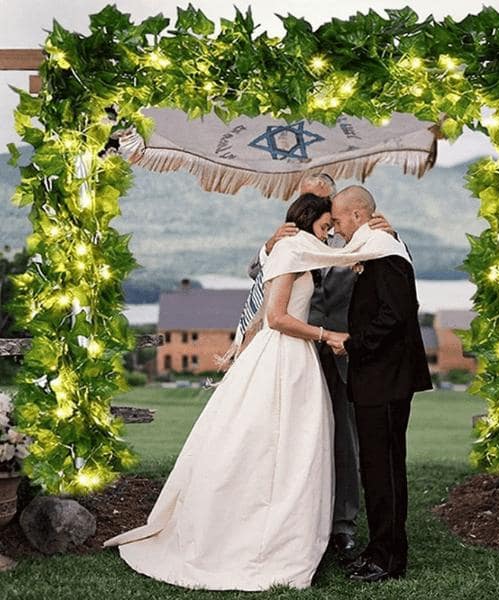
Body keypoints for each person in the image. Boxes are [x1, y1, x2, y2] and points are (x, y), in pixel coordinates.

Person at [103, 193, 408, 592]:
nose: (331, 232)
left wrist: (390, 237)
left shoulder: (330, 250)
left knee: (314, 448)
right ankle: (260, 535)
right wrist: (325, 334)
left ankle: (332, 530)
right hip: (290, 355)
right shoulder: (288, 250)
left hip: (319, 363)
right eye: (325, 225)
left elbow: (267, 314)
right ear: (308, 221)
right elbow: (274, 316)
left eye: (334, 224)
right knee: (264, 445)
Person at [244, 173, 397, 562]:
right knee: (291, 440)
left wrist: (392, 238)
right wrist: (267, 247)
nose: (315, 209)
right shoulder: (290, 240)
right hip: (298, 354)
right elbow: (259, 274)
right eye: (307, 201)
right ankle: (291, 522)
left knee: (343, 441)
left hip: (345, 354)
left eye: (323, 202)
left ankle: (342, 526)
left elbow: (390, 267)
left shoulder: (356, 236)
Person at [327, 185, 433, 583]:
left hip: (386, 380)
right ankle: (378, 549)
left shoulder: (385, 253)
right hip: (376, 380)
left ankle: (389, 559)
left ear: (358, 215)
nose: (336, 229)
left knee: (384, 471)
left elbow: (396, 314)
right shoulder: (374, 250)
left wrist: (353, 344)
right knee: (375, 470)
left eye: (338, 220)